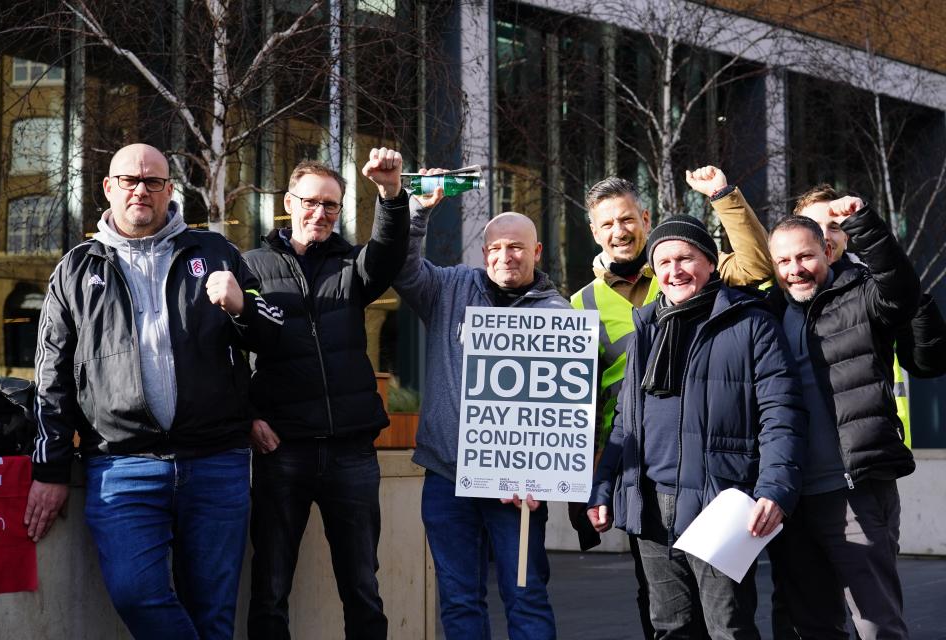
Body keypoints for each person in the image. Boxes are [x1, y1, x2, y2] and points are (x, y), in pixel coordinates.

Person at [25, 143, 283, 639]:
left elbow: (272, 334)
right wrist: (50, 469)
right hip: (122, 467)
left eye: (154, 181)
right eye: (130, 180)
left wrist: (240, 307)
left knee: (212, 611)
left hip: (215, 463)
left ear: (170, 190)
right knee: (135, 592)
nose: (141, 190)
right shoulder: (76, 270)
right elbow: (51, 378)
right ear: (108, 188)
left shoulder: (216, 254)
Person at [569, 166, 774, 637]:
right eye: (606, 224)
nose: (619, 231)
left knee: (726, 616)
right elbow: (582, 405)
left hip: (709, 472)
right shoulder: (580, 303)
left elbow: (757, 265)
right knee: (663, 613)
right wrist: (591, 484)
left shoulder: (681, 267)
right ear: (594, 231)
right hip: (638, 471)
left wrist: (723, 197)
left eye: (626, 219)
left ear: (644, 217)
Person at [242, 148, 409, 640]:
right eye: (311, 202)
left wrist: (391, 194)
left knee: (362, 587)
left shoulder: (353, 266)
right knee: (270, 589)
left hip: (350, 451)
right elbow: (227, 353)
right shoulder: (250, 266)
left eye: (331, 206)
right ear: (289, 203)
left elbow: (389, 251)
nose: (320, 213)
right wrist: (247, 416)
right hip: (281, 450)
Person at [393, 179, 565, 640]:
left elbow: (567, 407)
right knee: (458, 597)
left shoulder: (559, 315)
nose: (505, 258)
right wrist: (418, 214)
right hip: (448, 478)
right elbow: (402, 268)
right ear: (483, 250)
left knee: (525, 595)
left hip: (518, 486)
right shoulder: (450, 288)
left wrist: (540, 474)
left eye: (516, 248)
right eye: (495, 248)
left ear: (537, 251)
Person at [766, 200, 920, 640]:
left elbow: (903, 292)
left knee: (877, 625)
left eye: (805, 256)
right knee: (812, 625)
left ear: (827, 252)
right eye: (783, 260)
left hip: (854, 491)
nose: (795, 269)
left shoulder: (862, 294)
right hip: (791, 500)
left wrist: (863, 221)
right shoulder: (766, 313)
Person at [796, 183, 946, 445]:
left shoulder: (877, 290)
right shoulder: (777, 295)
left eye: (834, 227)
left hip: (873, 452)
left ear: (847, 237)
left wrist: (906, 294)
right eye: (813, 226)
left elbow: (929, 361)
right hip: (801, 456)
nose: (824, 235)